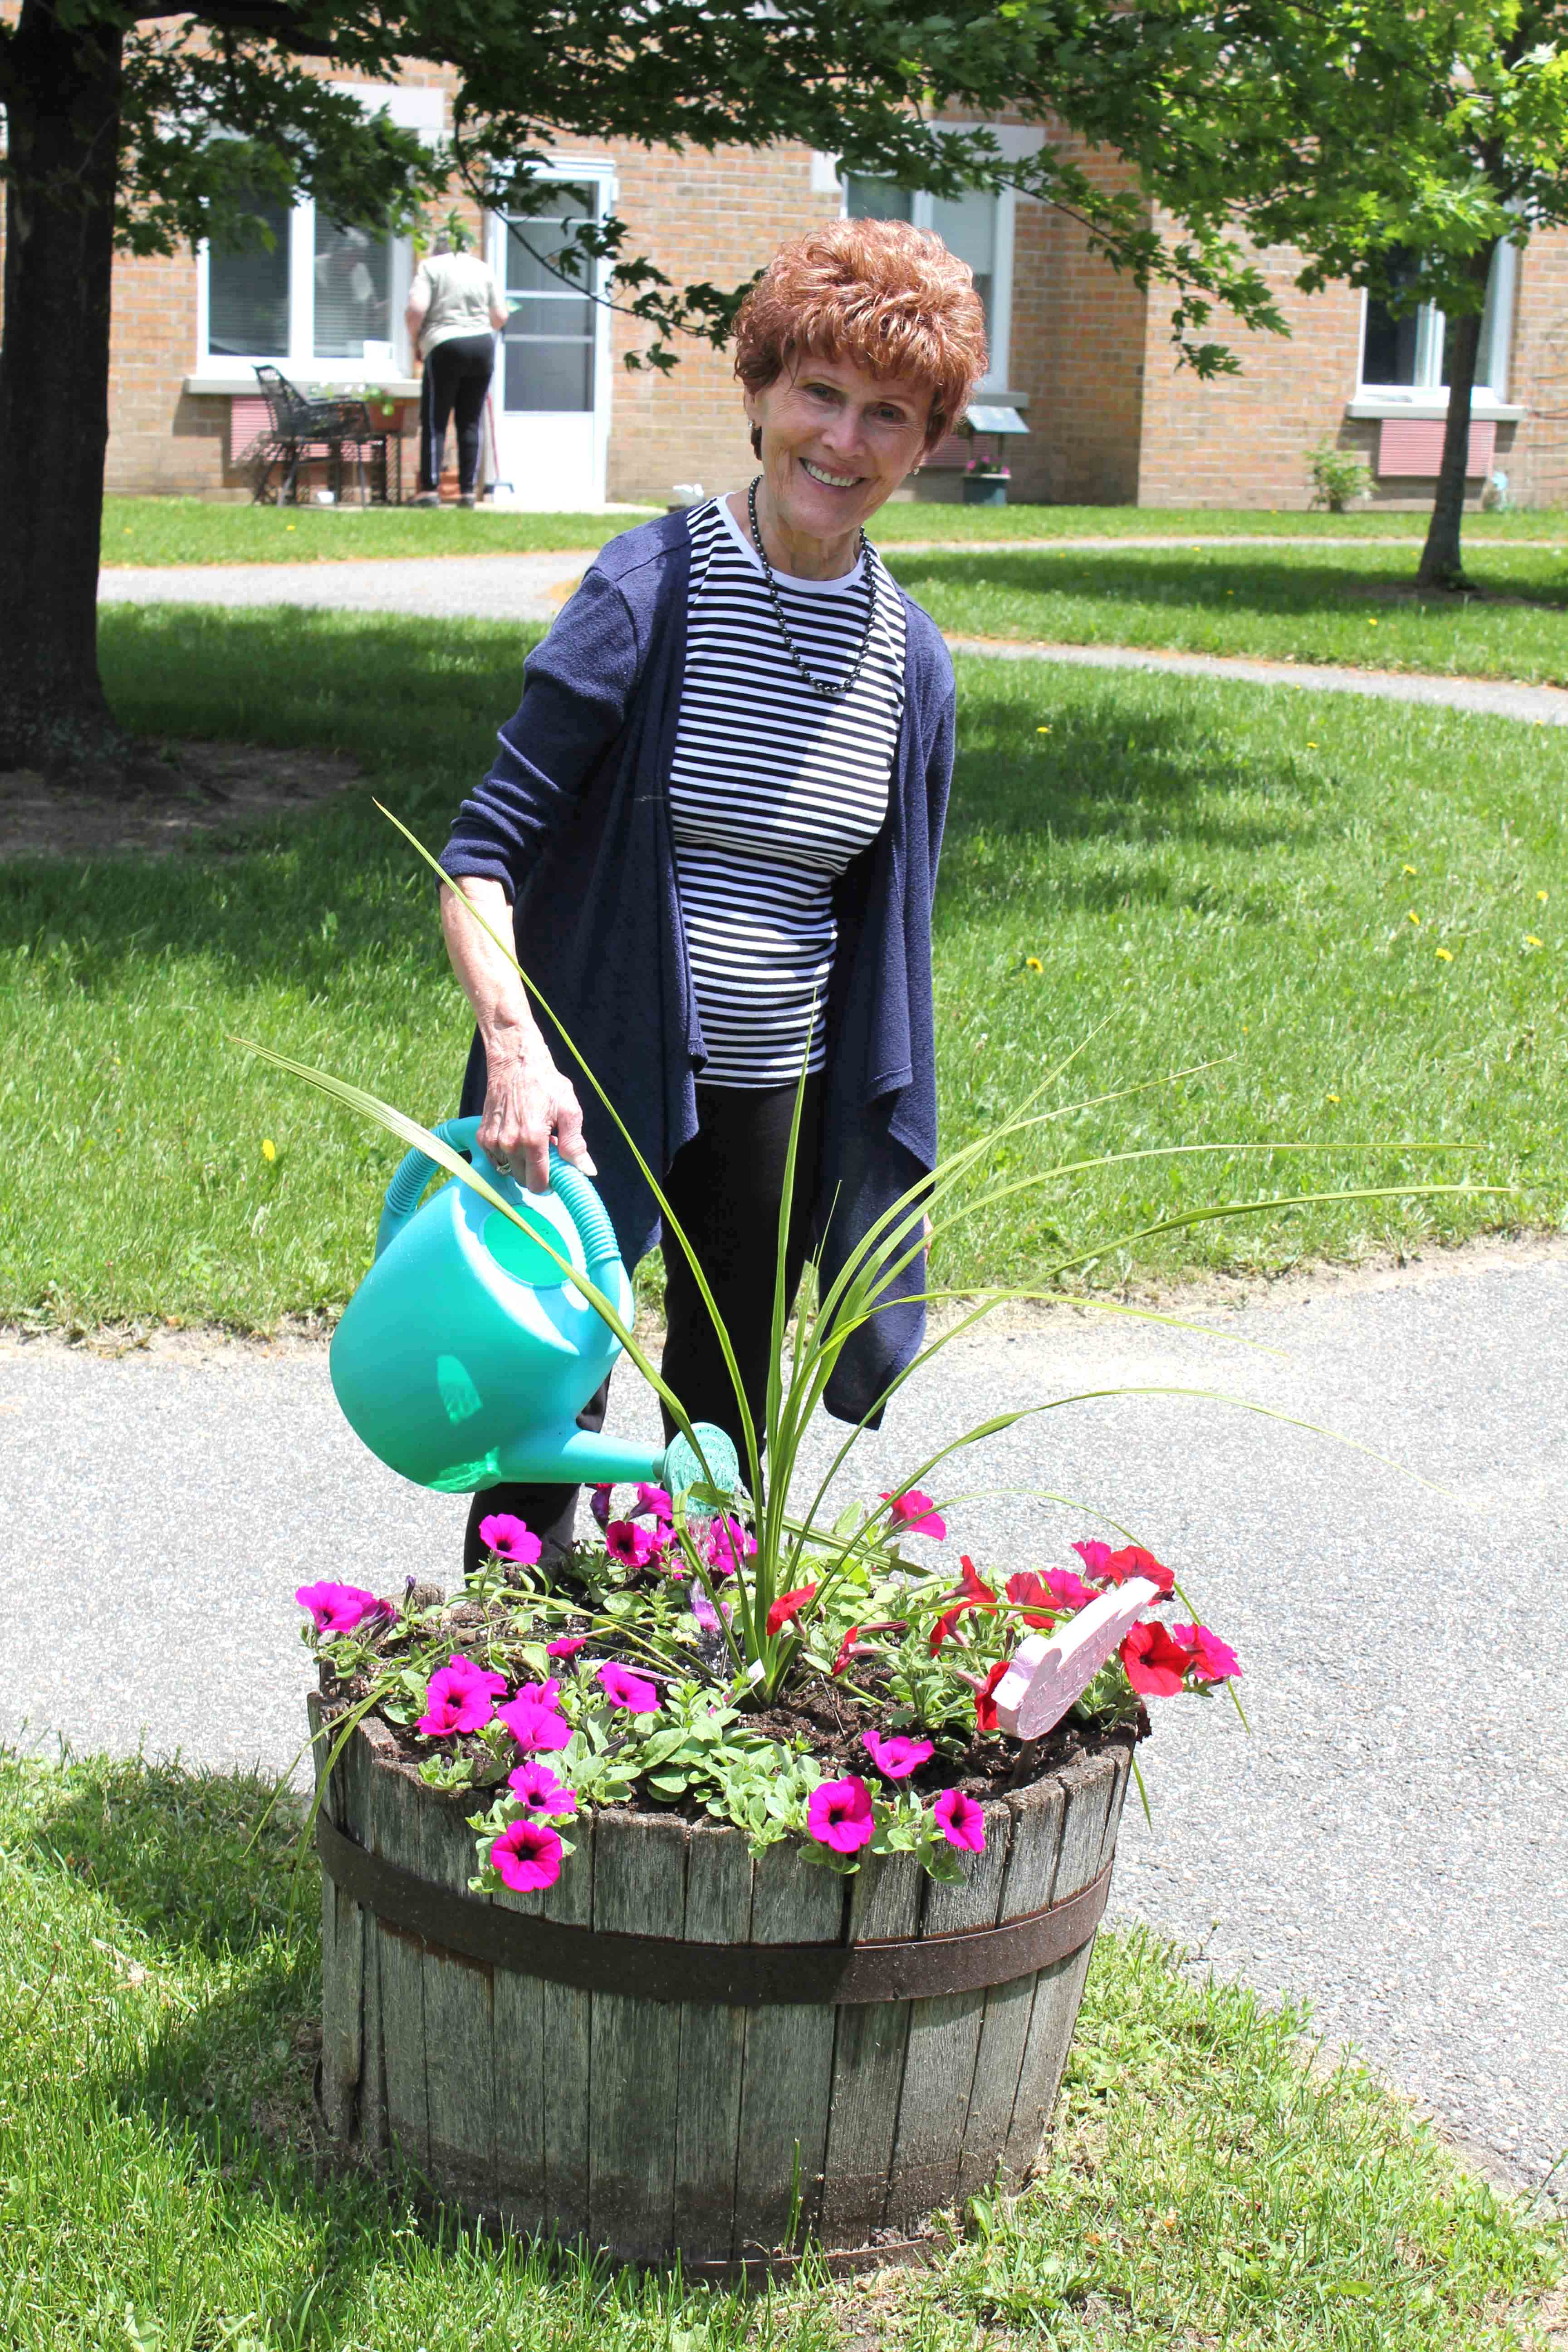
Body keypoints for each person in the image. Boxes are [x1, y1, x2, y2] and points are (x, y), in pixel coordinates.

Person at [438, 216, 986, 1574]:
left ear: (925, 447)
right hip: (591, 1079)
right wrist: (517, 1056)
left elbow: (887, 939)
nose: (843, 442)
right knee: (546, 1404)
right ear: (757, 395)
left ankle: (676, 1685)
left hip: (774, 1092)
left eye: (887, 415)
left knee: (725, 1419)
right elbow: (480, 857)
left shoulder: (913, 663)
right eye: (819, 394)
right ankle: (493, 1716)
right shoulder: (648, 591)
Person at [405, 217, 508, 508]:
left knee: (436, 419)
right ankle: (466, 492)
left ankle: (430, 490)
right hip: (482, 346)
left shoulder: (430, 267)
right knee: (471, 420)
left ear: (437, 248)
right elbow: (500, 317)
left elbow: (416, 310)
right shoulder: (483, 269)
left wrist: (416, 342)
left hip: (445, 344)